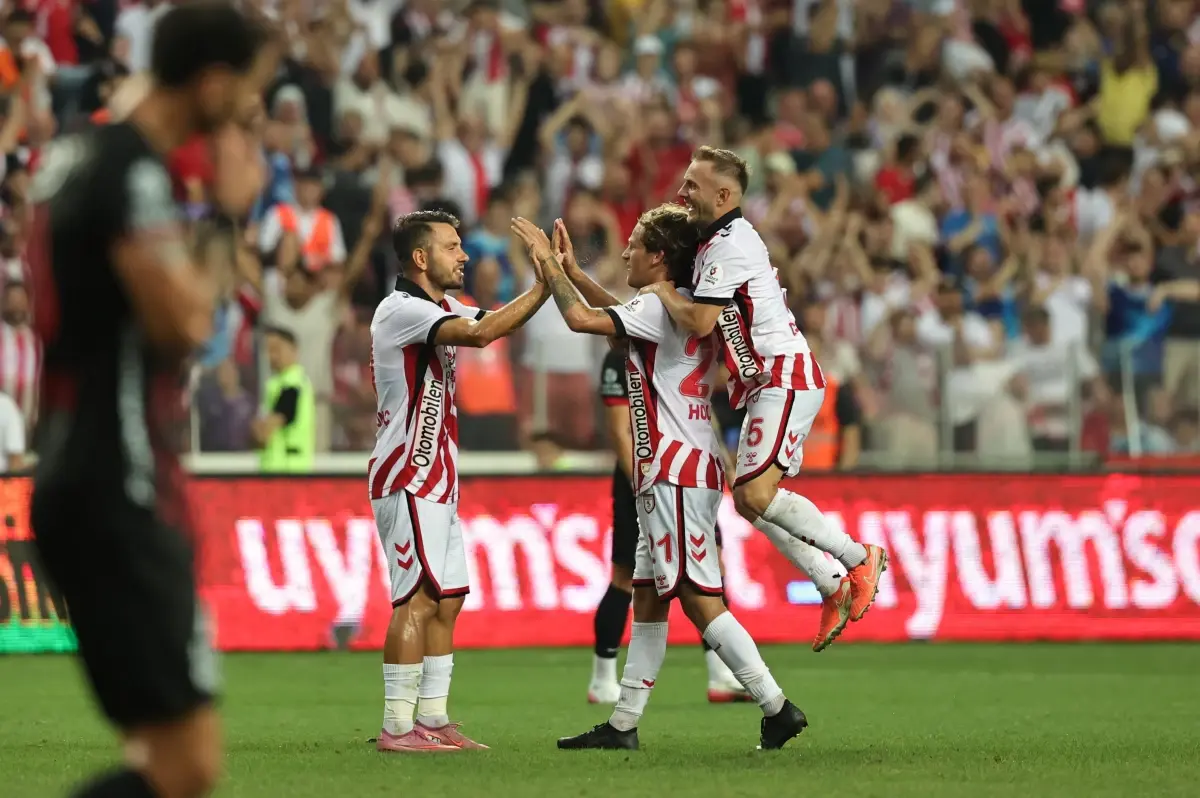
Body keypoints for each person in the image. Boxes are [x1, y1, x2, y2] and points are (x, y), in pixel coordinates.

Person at [25, 3, 273, 797]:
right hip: (119, 478)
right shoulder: (131, 170)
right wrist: (228, 213)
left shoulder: (75, 151)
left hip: (71, 466)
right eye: (249, 94)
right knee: (183, 762)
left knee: (156, 753)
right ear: (213, 83)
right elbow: (186, 325)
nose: (251, 114)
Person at [511, 209, 807, 752]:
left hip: (674, 471)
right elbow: (619, 315)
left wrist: (549, 266)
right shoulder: (671, 305)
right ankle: (624, 724)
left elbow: (581, 320)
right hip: (677, 468)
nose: (625, 253)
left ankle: (776, 706)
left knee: (698, 599)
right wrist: (574, 273)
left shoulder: (656, 304)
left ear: (658, 258)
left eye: (634, 245)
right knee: (646, 599)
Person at [641, 146, 889, 652]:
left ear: (723, 195)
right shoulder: (711, 243)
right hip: (761, 384)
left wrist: (663, 291)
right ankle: (831, 583)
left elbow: (701, 321)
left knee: (755, 494)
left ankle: (859, 557)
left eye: (692, 185)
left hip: (784, 375)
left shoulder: (731, 243)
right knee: (749, 501)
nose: (682, 192)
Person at [370, 209, 549, 753]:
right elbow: (485, 332)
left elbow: (497, 319)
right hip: (407, 472)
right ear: (420, 258)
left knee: (446, 601)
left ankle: (433, 718)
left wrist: (550, 278)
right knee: (416, 600)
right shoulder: (400, 310)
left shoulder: (441, 307)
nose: (464, 255)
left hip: (438, 477)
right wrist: (545, 282)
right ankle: (397, 727)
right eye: (452, 246)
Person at [591, 345, 749, 704]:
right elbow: (620, 431)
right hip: (642, 477)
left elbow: (703, 415)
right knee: (626, 576)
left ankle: (721, 676)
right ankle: (602, 679)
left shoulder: (680, 348)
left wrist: (727, 467)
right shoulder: (621, 354)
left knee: (713, 565)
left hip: (689, 471)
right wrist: (642, 485)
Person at [253, 326, 315, 473]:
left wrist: (258, 429)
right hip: (277, 468)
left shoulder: (293, 385)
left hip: (289, 470)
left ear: (294, 350)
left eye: (276, 349)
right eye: (268, 351)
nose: (272, 356)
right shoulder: (276, 384)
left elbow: (265, 431)